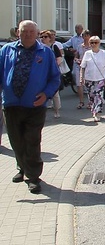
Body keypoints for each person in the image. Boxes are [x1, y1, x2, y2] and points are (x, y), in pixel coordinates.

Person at [0, 20, 60, 193]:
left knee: (32, 140)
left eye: (31, 32)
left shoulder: (46, 52)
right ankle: (22, 168)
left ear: (37, 33)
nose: (27, 34)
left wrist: (46, 94)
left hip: (35, 105)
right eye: (24, 31)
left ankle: (33, 177)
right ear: (18, 33)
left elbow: (55, 78)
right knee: (16, 141)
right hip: (11, 105)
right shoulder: (6, 50)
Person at [79, 36, 105, 122]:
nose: (93, 44)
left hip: (100, 79)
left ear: (99, 43)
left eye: (96, 42)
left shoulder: (103, 53)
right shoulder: (87, 53)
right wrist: (81, 77)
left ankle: (97, 113)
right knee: (91, 96)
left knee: (99, 96)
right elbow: (82, 67)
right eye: (92, 43)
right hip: (89, 79)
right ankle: (94, 110)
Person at [39, 30, 64, 118]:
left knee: (55, 94)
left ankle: (57, 111)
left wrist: (53, 66)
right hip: (42, 74)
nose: (43, 39)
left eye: (45, 37)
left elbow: (59, 58)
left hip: (52, 73)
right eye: (41, 37)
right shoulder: (38, 48)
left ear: (49, 38)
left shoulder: (54, 47)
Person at [72, 30, 92, 110]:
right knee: (79, 84)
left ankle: (90, 102)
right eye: (84, 36)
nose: (85, 37)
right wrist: (77, 60)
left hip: (89, 67)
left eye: (87, 35)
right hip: (80, 67)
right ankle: (81, 101)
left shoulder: (92, 46)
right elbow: (76, 56)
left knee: (89, 85)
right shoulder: (80, 46)